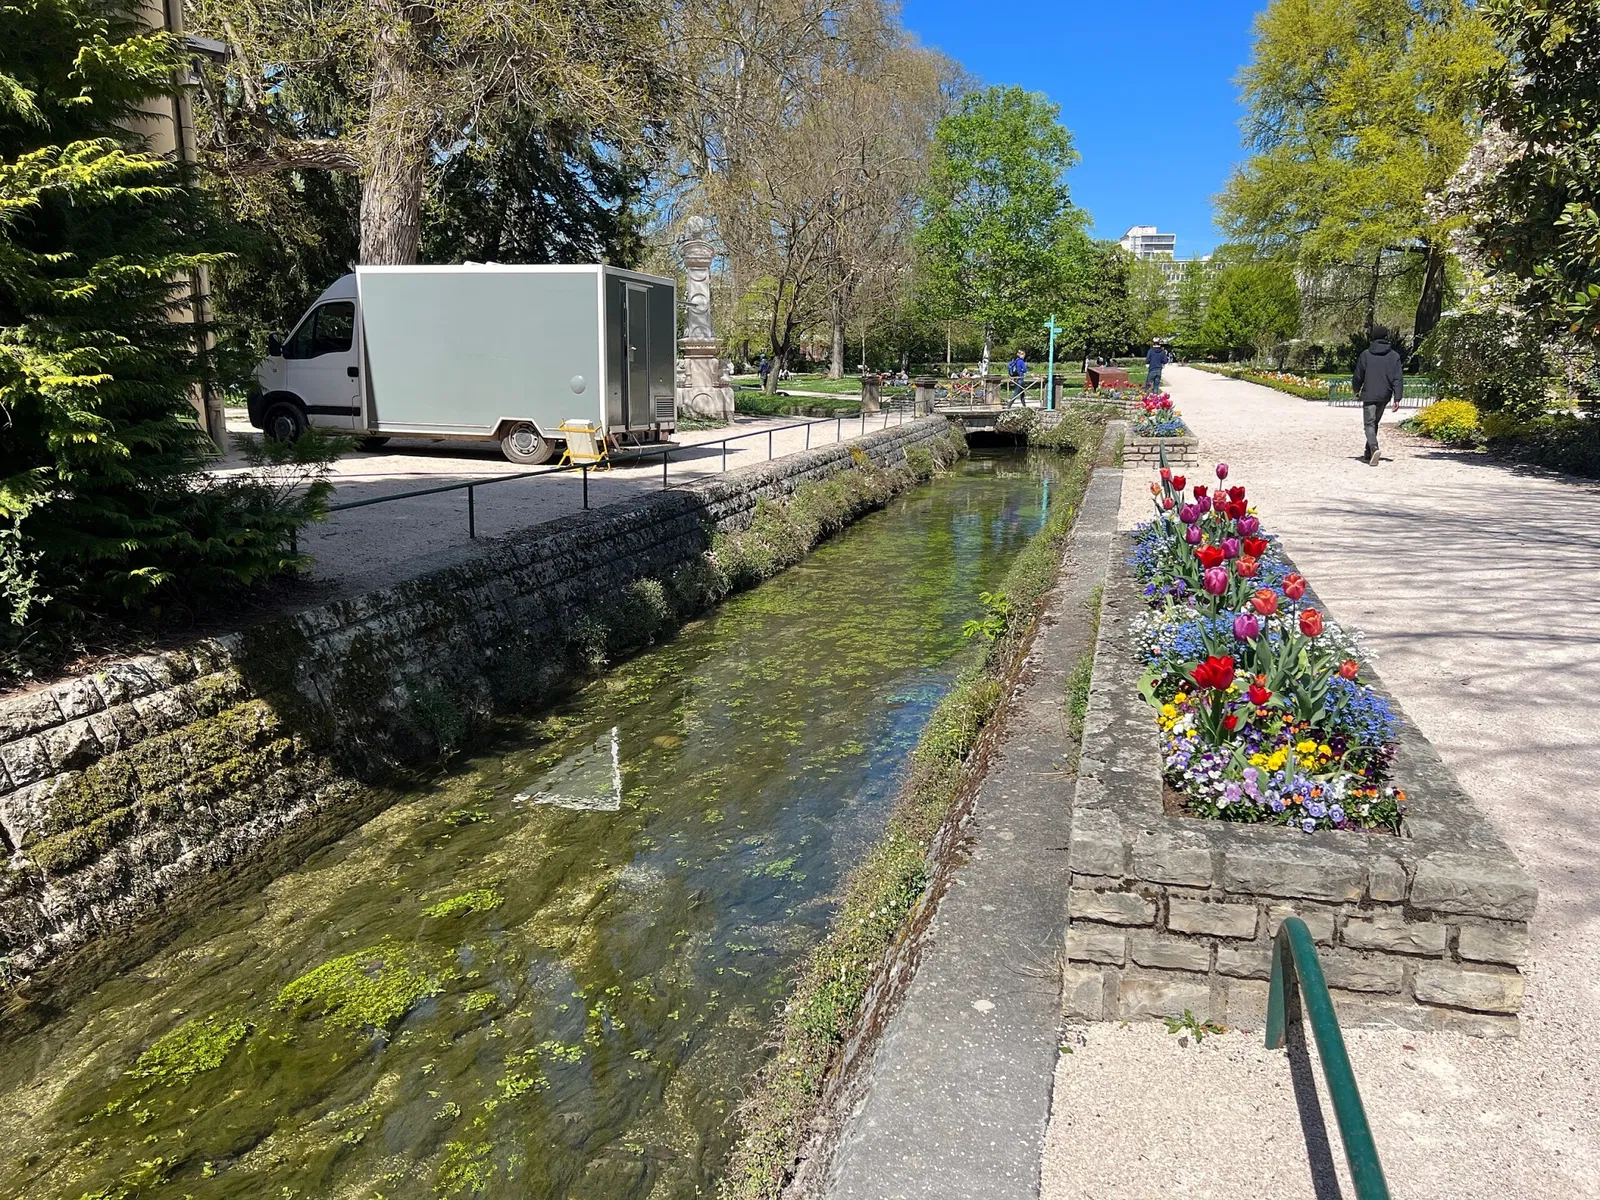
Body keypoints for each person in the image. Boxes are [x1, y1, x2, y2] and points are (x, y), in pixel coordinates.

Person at [1353, 326, 1403, 465]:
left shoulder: (1366, 355)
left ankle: (1374, 447)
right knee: (1374, 423)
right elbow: (1398, 378)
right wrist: (1397, 397)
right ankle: (1368, 452)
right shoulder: (1394, 356)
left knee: (1369, 423)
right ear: (1386, 337)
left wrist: (1355, 390)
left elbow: (1358, 376)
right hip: (1384, 394)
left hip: (1369, 393)